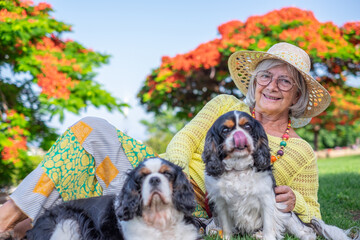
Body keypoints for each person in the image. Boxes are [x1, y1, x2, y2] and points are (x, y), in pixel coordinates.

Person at [0, 42, 331, 238]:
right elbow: (185, 138)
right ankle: (12, 218)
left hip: (196, 213)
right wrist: (176, 171)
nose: (271, 86)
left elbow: (313, 213)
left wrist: (293, 202)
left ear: (298, 95)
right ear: (254, 81)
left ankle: (25, 223)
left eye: (285, 81)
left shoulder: (301, 152)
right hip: (165, 176)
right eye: (265, 76)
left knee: (89, 198)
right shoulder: (225, 105)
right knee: (92, 128)